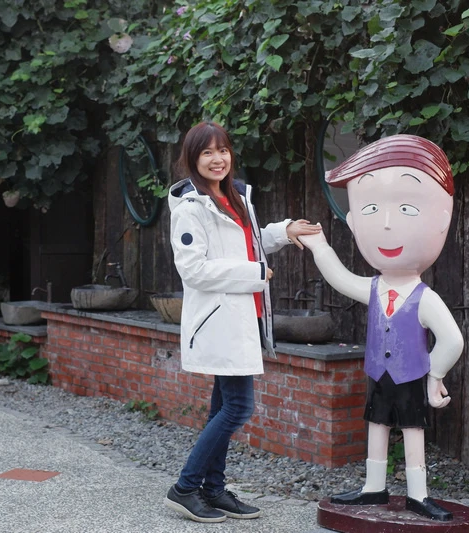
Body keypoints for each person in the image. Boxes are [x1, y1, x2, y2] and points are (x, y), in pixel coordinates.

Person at [298, 134, 464, 521]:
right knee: (376, 424)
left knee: (412, 431)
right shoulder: (373, 288)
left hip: (410, 376)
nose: (386, 225)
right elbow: (340, 277)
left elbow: (452, 339)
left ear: (442, 217)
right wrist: (320, 245)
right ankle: (374, 487)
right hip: (378, 373)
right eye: (370, 208)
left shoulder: (424, 297)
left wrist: (434, 375)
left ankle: (418, 495)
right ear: (353, 221)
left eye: (407, 208)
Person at [164, 121, 321, 523]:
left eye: (223, 150)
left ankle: (212, 491)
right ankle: (185, 488)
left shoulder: (235, 197)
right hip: (220, 321)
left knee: (224, 405)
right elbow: (194, 270)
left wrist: (284, 231)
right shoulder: (189, 208)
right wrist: (253, 273)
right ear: (192, 160)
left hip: (244, 317)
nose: (218, 159)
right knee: (237, 408)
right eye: (207, 153)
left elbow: (248, 242)